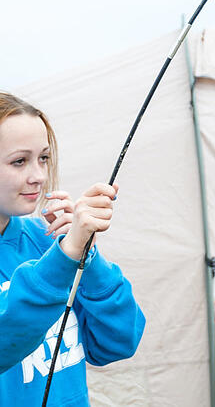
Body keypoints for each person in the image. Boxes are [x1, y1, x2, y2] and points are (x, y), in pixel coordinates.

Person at [0, 92, 145, 405]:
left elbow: (118, 341)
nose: (38, 176)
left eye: (44, 158)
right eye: (19, 161)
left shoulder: (46, 238)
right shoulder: (58, 253)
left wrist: (86, 256)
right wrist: (66, 256)